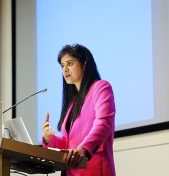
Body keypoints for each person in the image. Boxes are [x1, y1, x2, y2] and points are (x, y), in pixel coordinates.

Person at [41, 44, 116, 176]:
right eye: (62, 65)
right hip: (71, 171)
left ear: (84, 64)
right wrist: (49, 139)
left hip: (94, 168)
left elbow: (104, 123)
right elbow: (67, 143)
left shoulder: (101, 87)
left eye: (69, 64)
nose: (65, 70)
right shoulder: (72, 103)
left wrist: (83, 149)